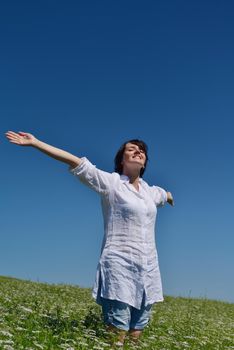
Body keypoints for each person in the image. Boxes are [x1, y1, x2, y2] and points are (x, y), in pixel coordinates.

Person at [5, 131, 174, 347]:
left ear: (145, 162)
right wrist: (36, 143)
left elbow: (164, 194)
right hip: (119, 263)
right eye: (131, 149)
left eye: (142, 151)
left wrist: (169, 196)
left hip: (148, 268)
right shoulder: (111, 183)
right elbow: (76, 162)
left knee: (137, 328)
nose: (138, 151)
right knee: (118, 328)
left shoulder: (151, 192)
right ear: (122, 159)